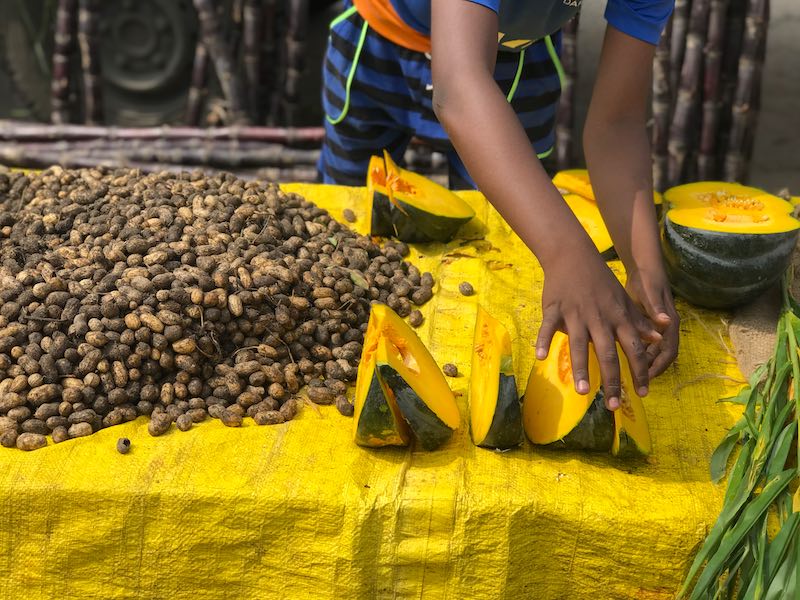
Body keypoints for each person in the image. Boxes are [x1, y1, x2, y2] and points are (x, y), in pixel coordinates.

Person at [318, 0, 680, 411]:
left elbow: (617, 125)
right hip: (379, 38)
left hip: (517, 57)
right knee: (343, 223)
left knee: (509, 236)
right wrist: (569, 254)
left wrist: (644, 267)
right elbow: (457, 89)